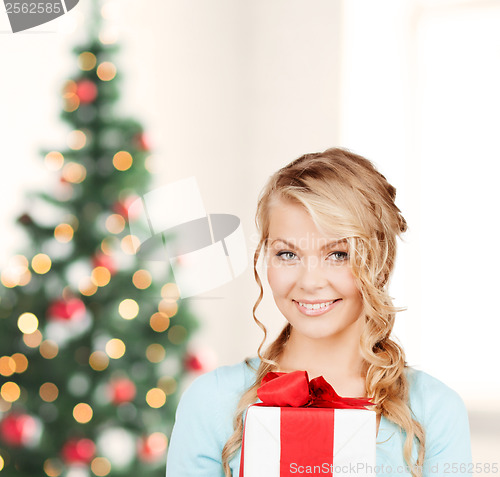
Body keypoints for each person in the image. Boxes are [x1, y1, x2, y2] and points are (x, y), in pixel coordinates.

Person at [165, 148, 473, 477]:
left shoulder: (434, 412)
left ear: (379, 263)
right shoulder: (211, 402)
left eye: (338, 254)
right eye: (287, 254)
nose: (310, 282)